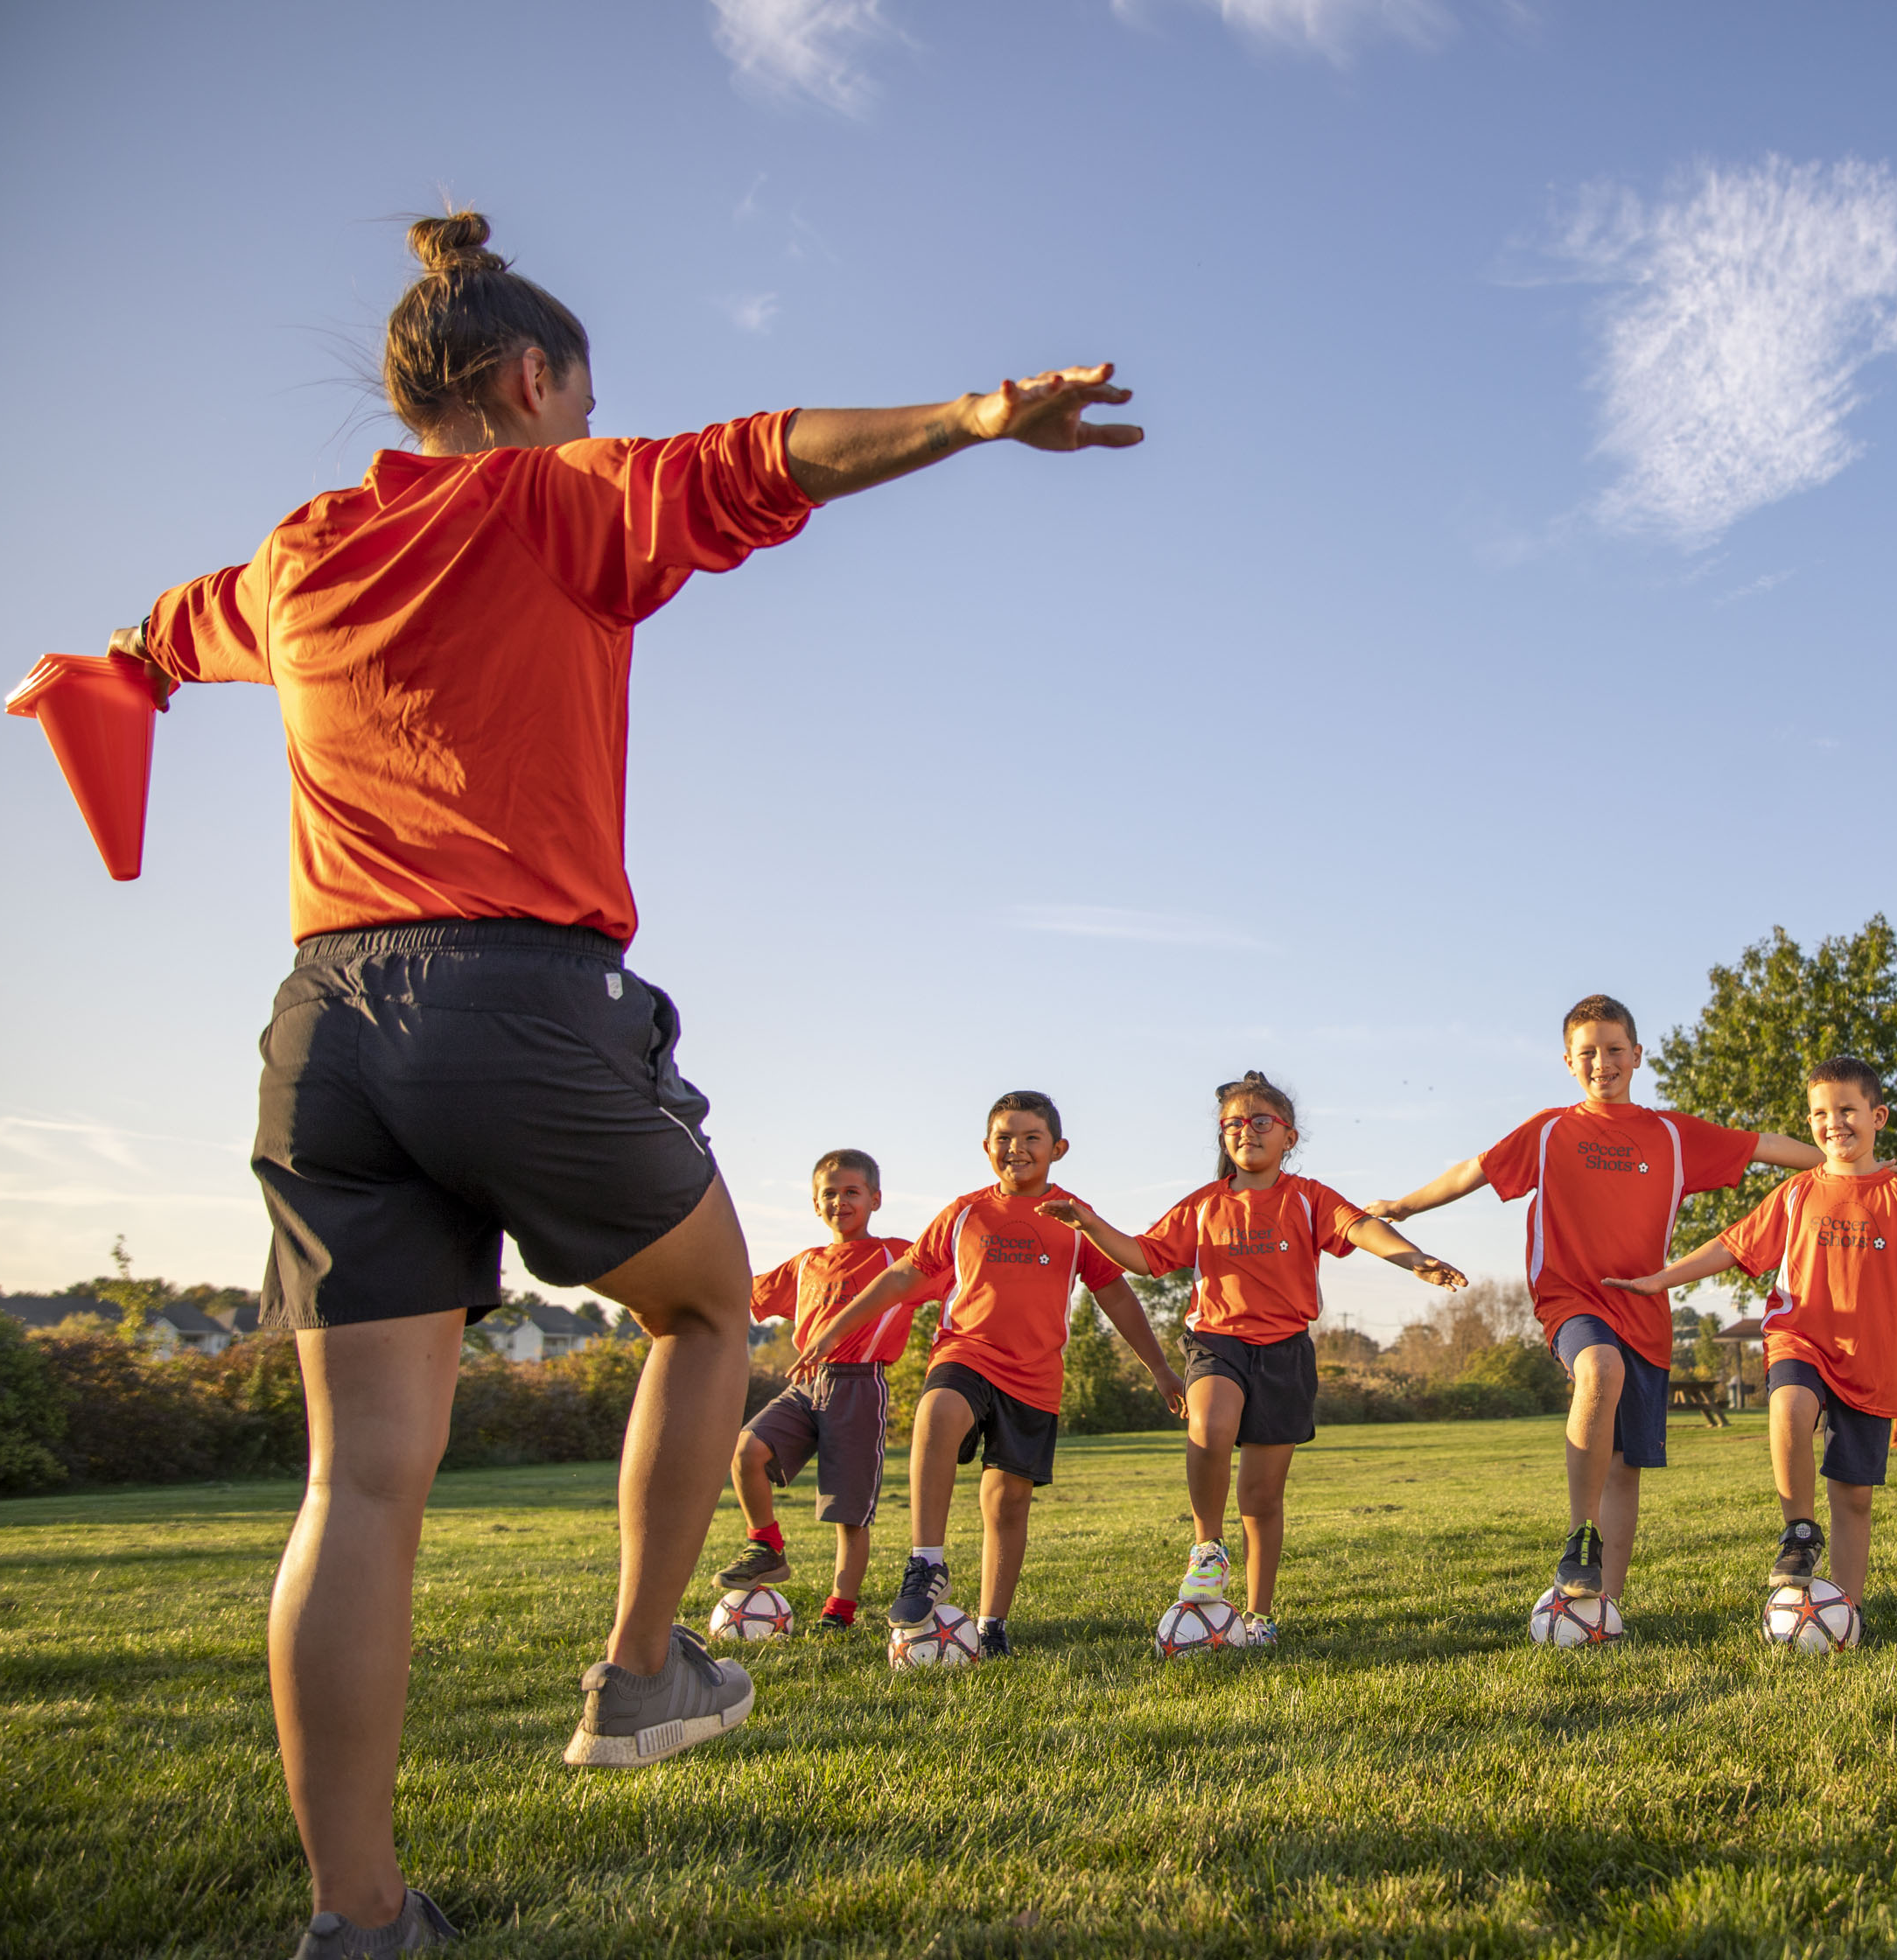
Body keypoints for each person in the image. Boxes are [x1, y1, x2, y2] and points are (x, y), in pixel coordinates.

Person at [110, 210, 1142, 1955]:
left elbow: (161, 633)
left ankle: (358, 1918)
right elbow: (770, 456)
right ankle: (643, 1666)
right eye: (586, 397)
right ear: (533, 380)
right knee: (710, 1304)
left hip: (324, 1031)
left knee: (357, 1485)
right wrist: (973, 417)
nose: (596, 422)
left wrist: (107, 670)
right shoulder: (556, 496)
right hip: (512, 994)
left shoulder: (300, 551)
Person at [1368, 994, 1823, 1620]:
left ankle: (1604, 1607)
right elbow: (1475, 1170)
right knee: (1599, 1367)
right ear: (1567, 1061)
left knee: (1625, 1470)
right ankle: (1580, 1536)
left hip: (1645, 1310)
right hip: (1571, 1298)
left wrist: (1851, 1167)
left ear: (1637, 1055)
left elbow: (1765, 1145)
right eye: (1587, 1053)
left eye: (1614, 1050)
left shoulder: (1674, 1135)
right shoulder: (1549, 1130)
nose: (1601, 1062)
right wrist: (1405, 1206)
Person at [1605, 1058, 1897, 1611]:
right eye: (1819, 1113)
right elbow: (1731, 1246)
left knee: (1854, 1498)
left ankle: (1844, 1613)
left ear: (1878, 1117)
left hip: (1870, 1361)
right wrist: (1662, 1278)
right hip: (1800, 1336)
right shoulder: (1795, 1193)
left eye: (1846, 1110)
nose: (1833, 1122)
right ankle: (1799, 1530)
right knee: (1789, 1405)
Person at [1042, 1071, 1468, 1644]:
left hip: (1285, 1354)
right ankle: (1207, 1547)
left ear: (1289, 1137)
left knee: (1262, 1498)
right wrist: (1090, 1223)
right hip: (1216, 1343)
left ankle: (1259, 1615)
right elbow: (1143, 1258)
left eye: (1261, 1121)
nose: (1247, 1131)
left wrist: (1413, 1259)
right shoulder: (1203, 1205)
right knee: (1209, 1426)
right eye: (1234, 1124)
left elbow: (1361, 1228)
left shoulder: (1309, 1197)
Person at [795, 1092, 1184, 1656]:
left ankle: (991, 1627)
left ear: (1058, 1149)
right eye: (1004, 1137)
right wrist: (835, 1328)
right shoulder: (965, 1212)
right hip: (966, 1352)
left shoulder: (1076, 1218)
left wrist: (1161, 1369)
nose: (1016, 1148)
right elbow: (903, 1276)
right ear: (986, 1147)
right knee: (936, 1412)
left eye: (1030, 1138)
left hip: (1035, 1377)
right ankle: (926, 1564)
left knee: (1006, 1503)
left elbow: (1117, 1296)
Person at [716, 1150, 948, 1631]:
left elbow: (959, 1279)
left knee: (848, 1515)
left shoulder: (896, 1256)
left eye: (851, 1192)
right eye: (829, 1194)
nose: (839, 1201)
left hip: (860, 1386)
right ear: (815, 1204)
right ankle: (766, 1546)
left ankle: (838, 1613)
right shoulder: (805, 1265)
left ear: (875, 1199)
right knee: (745, 1450)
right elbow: (740, 1293)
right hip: (804, 1385)